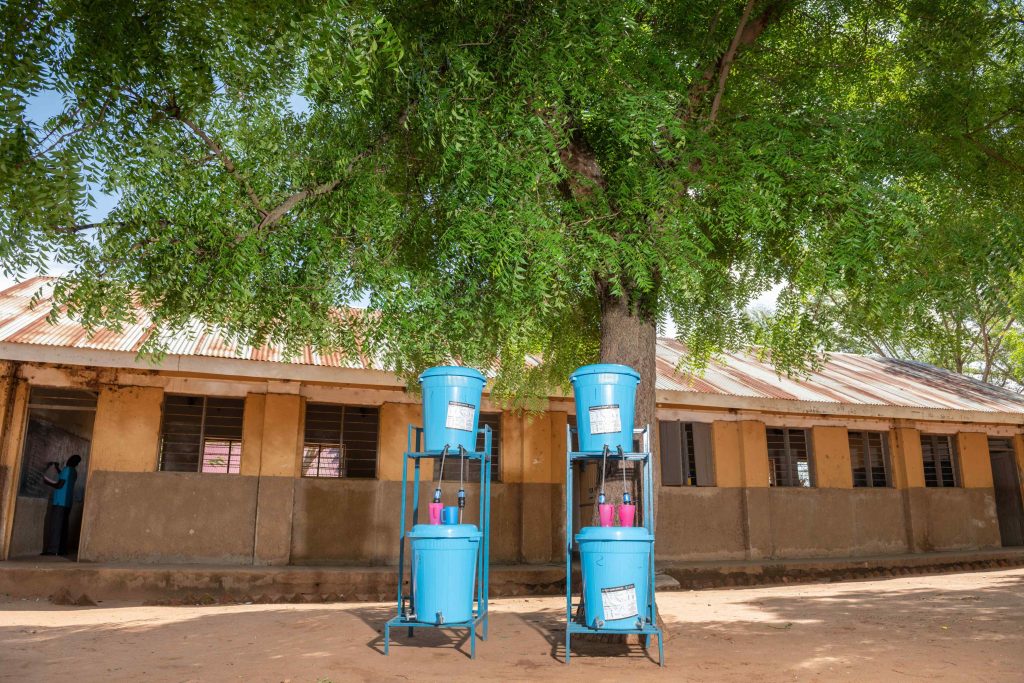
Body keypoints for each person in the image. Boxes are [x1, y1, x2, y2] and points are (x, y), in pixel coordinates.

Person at [42, 454, 80, 556]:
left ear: (69, 460)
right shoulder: (73, 472)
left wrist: (46, 481)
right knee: (63, 527)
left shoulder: (67, 470)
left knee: (56, 526)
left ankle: (52, 550)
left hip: (59, 502)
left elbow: (59, 485)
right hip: (67, 502)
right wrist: (57, 468)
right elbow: (63, 478)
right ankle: (62, 550)